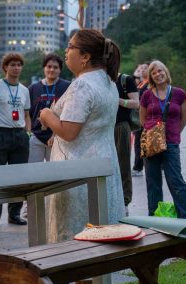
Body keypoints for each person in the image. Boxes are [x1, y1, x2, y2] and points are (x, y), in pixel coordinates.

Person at [38, 30, 126, 245]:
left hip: (78, 172)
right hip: (103, 164)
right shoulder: (108, 82)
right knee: (99, 236)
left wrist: (46, 115)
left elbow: (69, 132)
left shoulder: (83, 85)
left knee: (75, 238)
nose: (66, 51)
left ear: (85, 57)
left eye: (70, 47)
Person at [139, 60, 186, 220]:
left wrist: (173, 134)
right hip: (151, 144)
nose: (158, 74)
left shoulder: (179, 94)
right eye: (154, 73)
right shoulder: (147, 95)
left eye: (160, 71)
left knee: (176, 181)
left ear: (166, 71)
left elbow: (184, 119)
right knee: (153, 183)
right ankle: (155, 217)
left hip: (171, 143)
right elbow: (142, 120)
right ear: (150, 77)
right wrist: (154, 134)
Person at [0, 53, 31, 228]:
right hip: (1, 133)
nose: (16, 67)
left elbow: (27, 114)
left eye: (19, 64)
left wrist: (27, 132)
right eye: (13, 64)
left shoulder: (24, 90)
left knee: (18, 176)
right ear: (5, 67)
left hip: (19, 134)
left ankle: (14, 213)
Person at [28, 54, 70, 163]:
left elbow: (67, 113)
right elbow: (28, 113)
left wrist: (55, 135)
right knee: (33, 172)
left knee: (55, 174)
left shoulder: (67, 87)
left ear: (60, 70)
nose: (52, 69)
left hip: (57, 137)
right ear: (44, 68)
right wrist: (29, 132)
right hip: (36, 137)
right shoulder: (33, 88)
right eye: (49, 66)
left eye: (55, 67)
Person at [114, 68, 139, 213]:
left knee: (123, 164)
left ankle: (125, 201)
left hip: (121, 126)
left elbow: (136, 103)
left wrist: (117, 100)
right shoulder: (101, 80)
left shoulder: (125, 80)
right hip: (103, 126)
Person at [131, 64, 148, 177]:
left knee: (140, 144)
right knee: (139, 143)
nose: (141, 71)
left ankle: (138, 168)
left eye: (144, 69)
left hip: (144, 118)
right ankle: (138, 167)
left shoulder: (148, 85)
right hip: (139, 117)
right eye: (140, 69)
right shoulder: (142, 83)